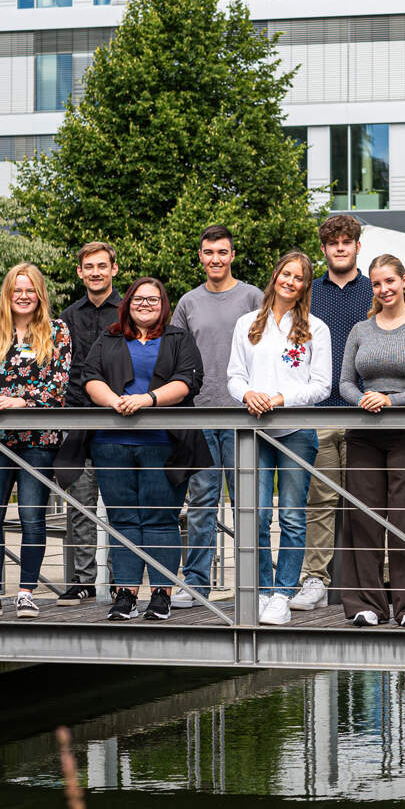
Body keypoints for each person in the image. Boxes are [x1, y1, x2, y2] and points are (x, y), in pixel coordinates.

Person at [332, 255, 405, 628]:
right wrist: (362, 399)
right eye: (377, 284)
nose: (384, 290)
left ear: (404, 281)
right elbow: (345, 381)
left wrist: (392, 400)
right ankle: (365, 604)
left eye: (389, 282)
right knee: (361, 519)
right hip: (364, 433)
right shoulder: (360, 330)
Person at [83, 277, 204, 622]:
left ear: (163, 304)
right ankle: (126, 594)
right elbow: (90, 377)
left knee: (160, 519)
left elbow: (187, 382)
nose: (145, 304)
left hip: (164, 443)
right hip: (112, 443)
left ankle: (162, 594)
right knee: (122, 520)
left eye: (153, 299)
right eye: (139, 299)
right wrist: (116, 402)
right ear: (128, 303)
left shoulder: (178, 338)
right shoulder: (109, 337)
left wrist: (147, 400)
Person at [227, 251, 333, 627]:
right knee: (254, 516)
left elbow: (322, 385)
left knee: (291, 516)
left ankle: (283, 594)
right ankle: (260, 588)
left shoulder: (315, 329)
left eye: (299, 277)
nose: (290, 281)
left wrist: (282, 399)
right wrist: (247, 395)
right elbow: (234, 375)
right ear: (275, 277)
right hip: (254, 431)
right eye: (286, 274)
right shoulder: (246, 324)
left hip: (297, 432)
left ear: (305, 286)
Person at [168, 226, 264, 608]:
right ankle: (195, 583)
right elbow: (175, 356)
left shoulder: (254, 297)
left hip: (246, 417)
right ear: (201, 256)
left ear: (233, 255)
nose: (215, 259)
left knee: (249, 504)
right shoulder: (188, 303)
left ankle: (255, 584)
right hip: (202, 413)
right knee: (202, 502)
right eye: (209, 253)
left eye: (222, 252)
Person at [0, 263, 71, 620]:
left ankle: (27, 592)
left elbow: (58, 387)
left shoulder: (57, 332)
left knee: (32, 517)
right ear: (8, 294)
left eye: (30, 290)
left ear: (40, 294)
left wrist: (20, 401)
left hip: (38, 440)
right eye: (17, 290)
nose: (24, 296)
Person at [298, 213, 373, 612]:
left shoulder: (375, 290)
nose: (340, 247)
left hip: (366, 412)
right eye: (333, 242)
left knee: (366, 502)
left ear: (358, 246)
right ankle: (315, 580)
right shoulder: (309, 293)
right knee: (321, 501)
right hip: (320, 411)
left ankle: (368, 583)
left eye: (347, 241)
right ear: (324, 249)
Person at [53, 242, 122, 605]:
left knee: (119, 503)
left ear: (113, 269)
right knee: (80, 504)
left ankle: (119, 580)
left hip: (118, 418)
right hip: (76, 416)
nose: (95, 272)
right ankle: (82, 579)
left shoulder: (128, 311)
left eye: (101, 266)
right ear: (80, 272)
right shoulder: (67, 316)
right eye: (88, 267)